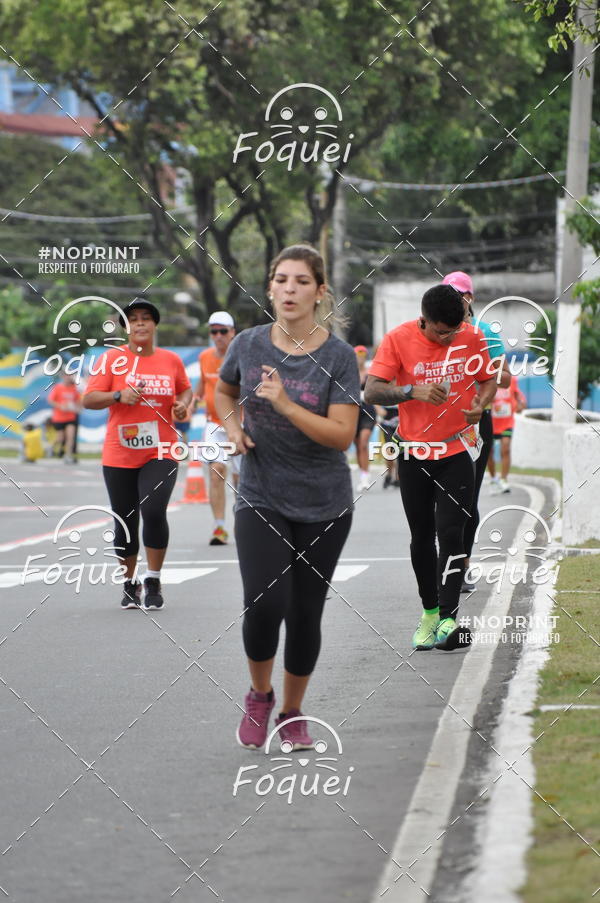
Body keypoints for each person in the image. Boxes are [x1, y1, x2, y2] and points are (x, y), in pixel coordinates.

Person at [214, 244, 359, 751]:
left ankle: (293, 713)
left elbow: (342, 435)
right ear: (270, 287)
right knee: (264, 602)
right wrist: (233, 430)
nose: (290, 289)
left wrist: (286, 403)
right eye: (281, 280)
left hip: (325, 503)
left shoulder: (339, 357)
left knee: (304, 614)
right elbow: (225, 391)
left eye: (301, 281)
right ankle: (260, 696)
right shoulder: (250, 344)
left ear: (320, 292)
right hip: (262, 493)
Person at [364, 284, 498, 651]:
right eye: (441, 331)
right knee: (422, 536)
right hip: (414, 453)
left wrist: (480, 406)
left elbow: (489, 381)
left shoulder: (470, 337)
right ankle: (429, 613)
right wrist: (411, 392)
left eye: (454, 331)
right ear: (424, 320)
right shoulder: (397, 339)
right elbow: (372, 391)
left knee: (452, 533)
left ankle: (450, 619)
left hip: (456, 449)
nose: (448, 337)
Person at [83, 297, 192, 610]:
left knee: (154, 510)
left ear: (155, 325)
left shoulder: (171, 360)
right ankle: (129, 583)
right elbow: (89, 399)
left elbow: (184, 389)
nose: (141, 323)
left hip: (162, 448)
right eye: (134, 319)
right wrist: (119, 394)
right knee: (125, 519)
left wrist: (184, 404)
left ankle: (153, 577)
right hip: (120, 451)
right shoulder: (111, 360)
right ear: (126, 328)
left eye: (147, 317)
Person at [442, 271, 511, 593]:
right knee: (438, 500)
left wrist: (489, 367)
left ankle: (462, 563)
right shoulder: (432, 331)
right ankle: (444, 562)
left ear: (470, 298)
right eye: (448, 293)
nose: (454, 299)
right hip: (435, 424)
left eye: (459, 293)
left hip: (473, 425)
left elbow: (505, 378)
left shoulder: (484, 332)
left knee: (465, 497)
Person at [196, 311, 239, 545]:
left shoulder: (242, 355)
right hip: (213, 424)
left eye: (223, 331)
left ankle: (243, 524)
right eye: (214, 331)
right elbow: (200, 388)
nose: (219, 336)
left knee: (240, 479)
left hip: (241, 424)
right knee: (216, 473)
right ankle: (219, 528)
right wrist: (190, 402)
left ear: (232, 332)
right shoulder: (204, 357)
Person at [488, 375, 526, 493]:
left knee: (505, 448)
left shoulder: (512, 380)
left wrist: (521, 404)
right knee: (489, 452)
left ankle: (504, 479)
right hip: (491, 423)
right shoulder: (488, 379)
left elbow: (519, 396)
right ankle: (494, 479)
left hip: (507, 422)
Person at [353, 345, 377, 492]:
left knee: (363, 442)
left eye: (362, 355)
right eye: (357, 355)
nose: (360, 358)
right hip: (353, 411)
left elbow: (375, 391)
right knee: (357, 445)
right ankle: (362, 473)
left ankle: (366, 477)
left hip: (368, 411)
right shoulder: (349, 372)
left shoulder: (370, 372)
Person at [48, 370, 82, 463]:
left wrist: (78, 408)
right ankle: (51, 447)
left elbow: (78, 401)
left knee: (70, 437)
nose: (68, 377)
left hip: (70, 417)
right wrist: (60, 406)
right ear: (63, 377)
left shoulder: (74, 388)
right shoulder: (58, 388)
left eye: (70, 375)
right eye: (66, 376)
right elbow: (51, 400)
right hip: (59, 417)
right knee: (60, 438)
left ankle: (68, 456)